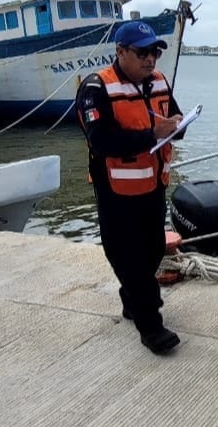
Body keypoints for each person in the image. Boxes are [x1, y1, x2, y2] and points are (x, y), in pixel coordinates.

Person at [76, 20, 185, 356]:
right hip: (115, 190)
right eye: (142, 53)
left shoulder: (159, 82)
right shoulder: (96, 89)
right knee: (128, 255)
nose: (150, 59)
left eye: (154, 52)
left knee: (153, 249)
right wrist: (153, 134)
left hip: (153, 184)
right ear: (120, 52)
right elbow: (102, 140)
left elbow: (174, 117)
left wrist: (178, 125)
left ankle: (131, 297)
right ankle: (150, 325)